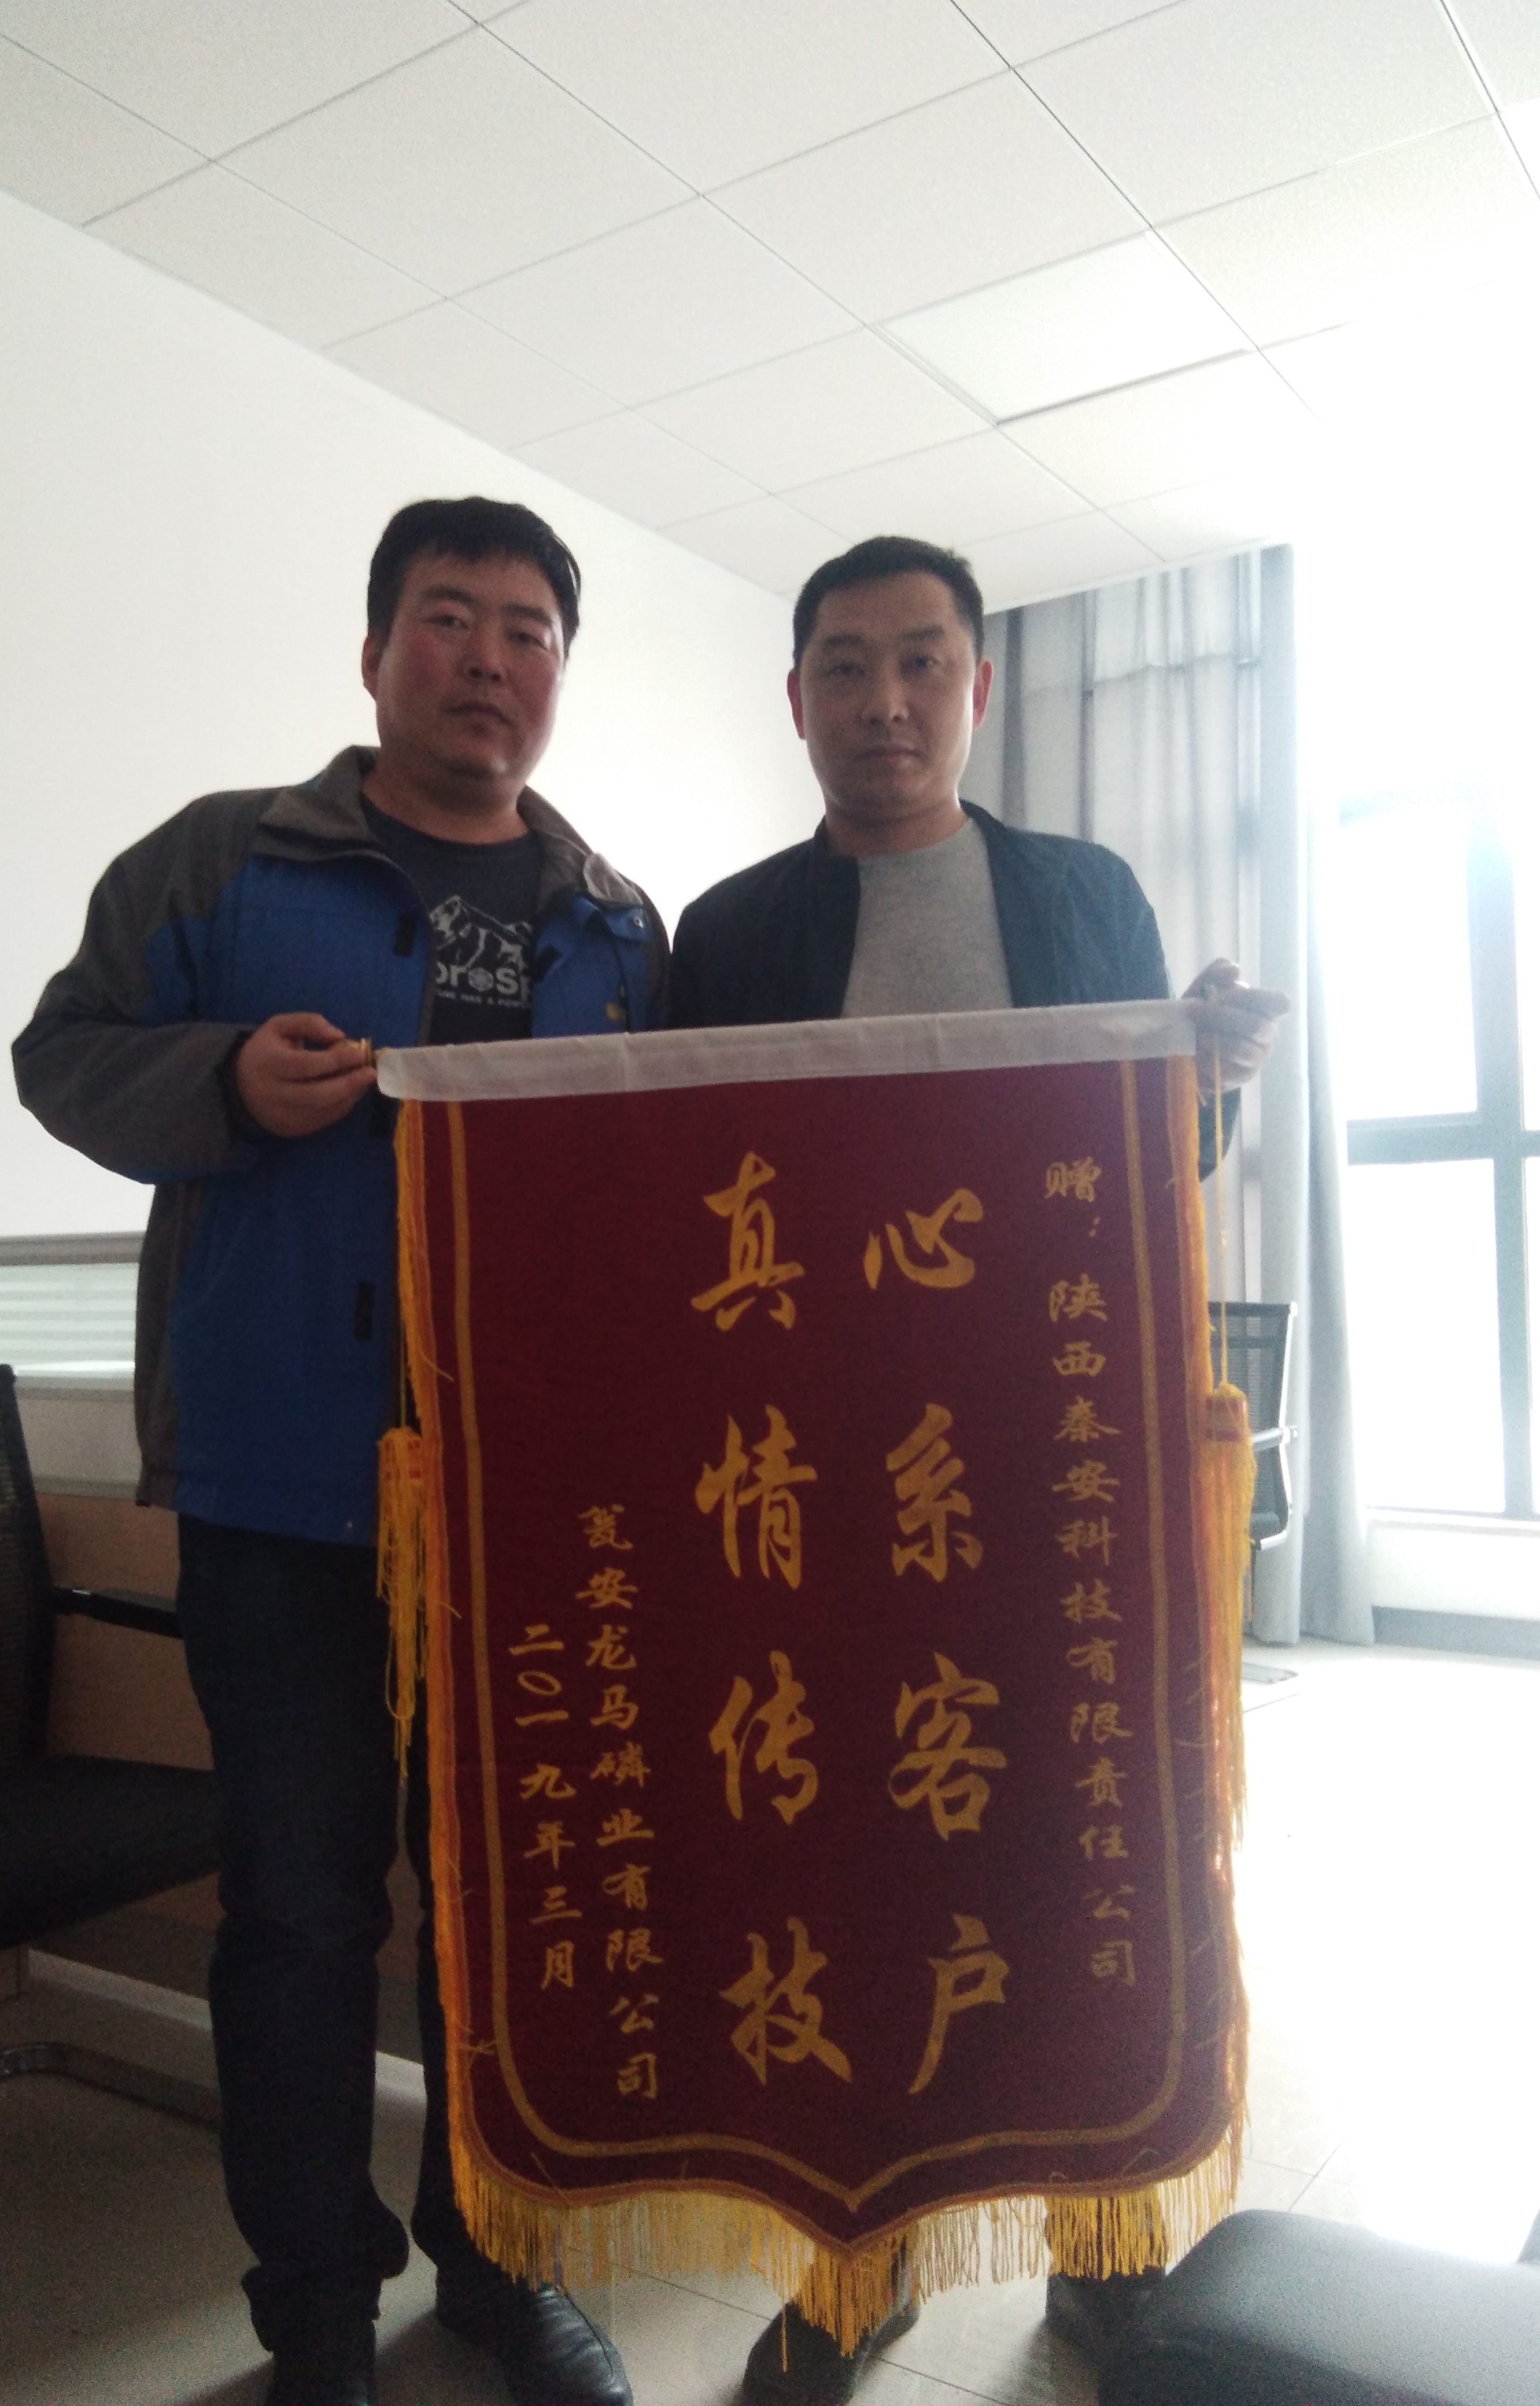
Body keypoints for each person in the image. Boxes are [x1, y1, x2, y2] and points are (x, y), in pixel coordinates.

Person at [13, 497, 660, 2406]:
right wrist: (218, 1079)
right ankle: (312, 2314)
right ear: (377, 652)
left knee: (510, 1914)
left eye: (529, 630)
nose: (489, 659)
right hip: (280, 1491)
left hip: (523, 1506)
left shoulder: (617, 923)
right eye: (450, 618)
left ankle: (498, 2265)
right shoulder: (224, 860)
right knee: (299, 1916)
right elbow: (63, 1054)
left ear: (558, 676)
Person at [669, 533, 1288, 2406]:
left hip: (1049, 1453)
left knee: (1086, 1842)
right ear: (796, 700)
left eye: (923, 663)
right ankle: (857, 2263)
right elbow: (685, 1206)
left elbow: (1153, 1167)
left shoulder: (1084, 892)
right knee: (852, 1860)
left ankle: (1111, 2248)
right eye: (847, 668)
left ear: (979, 688)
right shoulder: (731, 932)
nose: (887, 703)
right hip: (824, 1479)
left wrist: (1212, 1076)